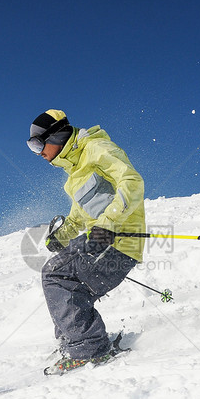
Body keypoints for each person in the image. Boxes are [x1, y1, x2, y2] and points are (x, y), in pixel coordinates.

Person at [27, 109, 146, 372]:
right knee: (58, 270)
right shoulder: (75, 173)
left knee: (56, 274)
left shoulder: (96, 148)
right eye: (32, 146)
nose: (38, 153)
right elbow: (80, 216)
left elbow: (132, 182)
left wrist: (106, 227)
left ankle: (89, 348)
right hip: (101, 240)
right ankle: (74, 342)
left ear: (56, 136)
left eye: (37, 144)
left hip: (118, 242)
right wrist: (61, 236)